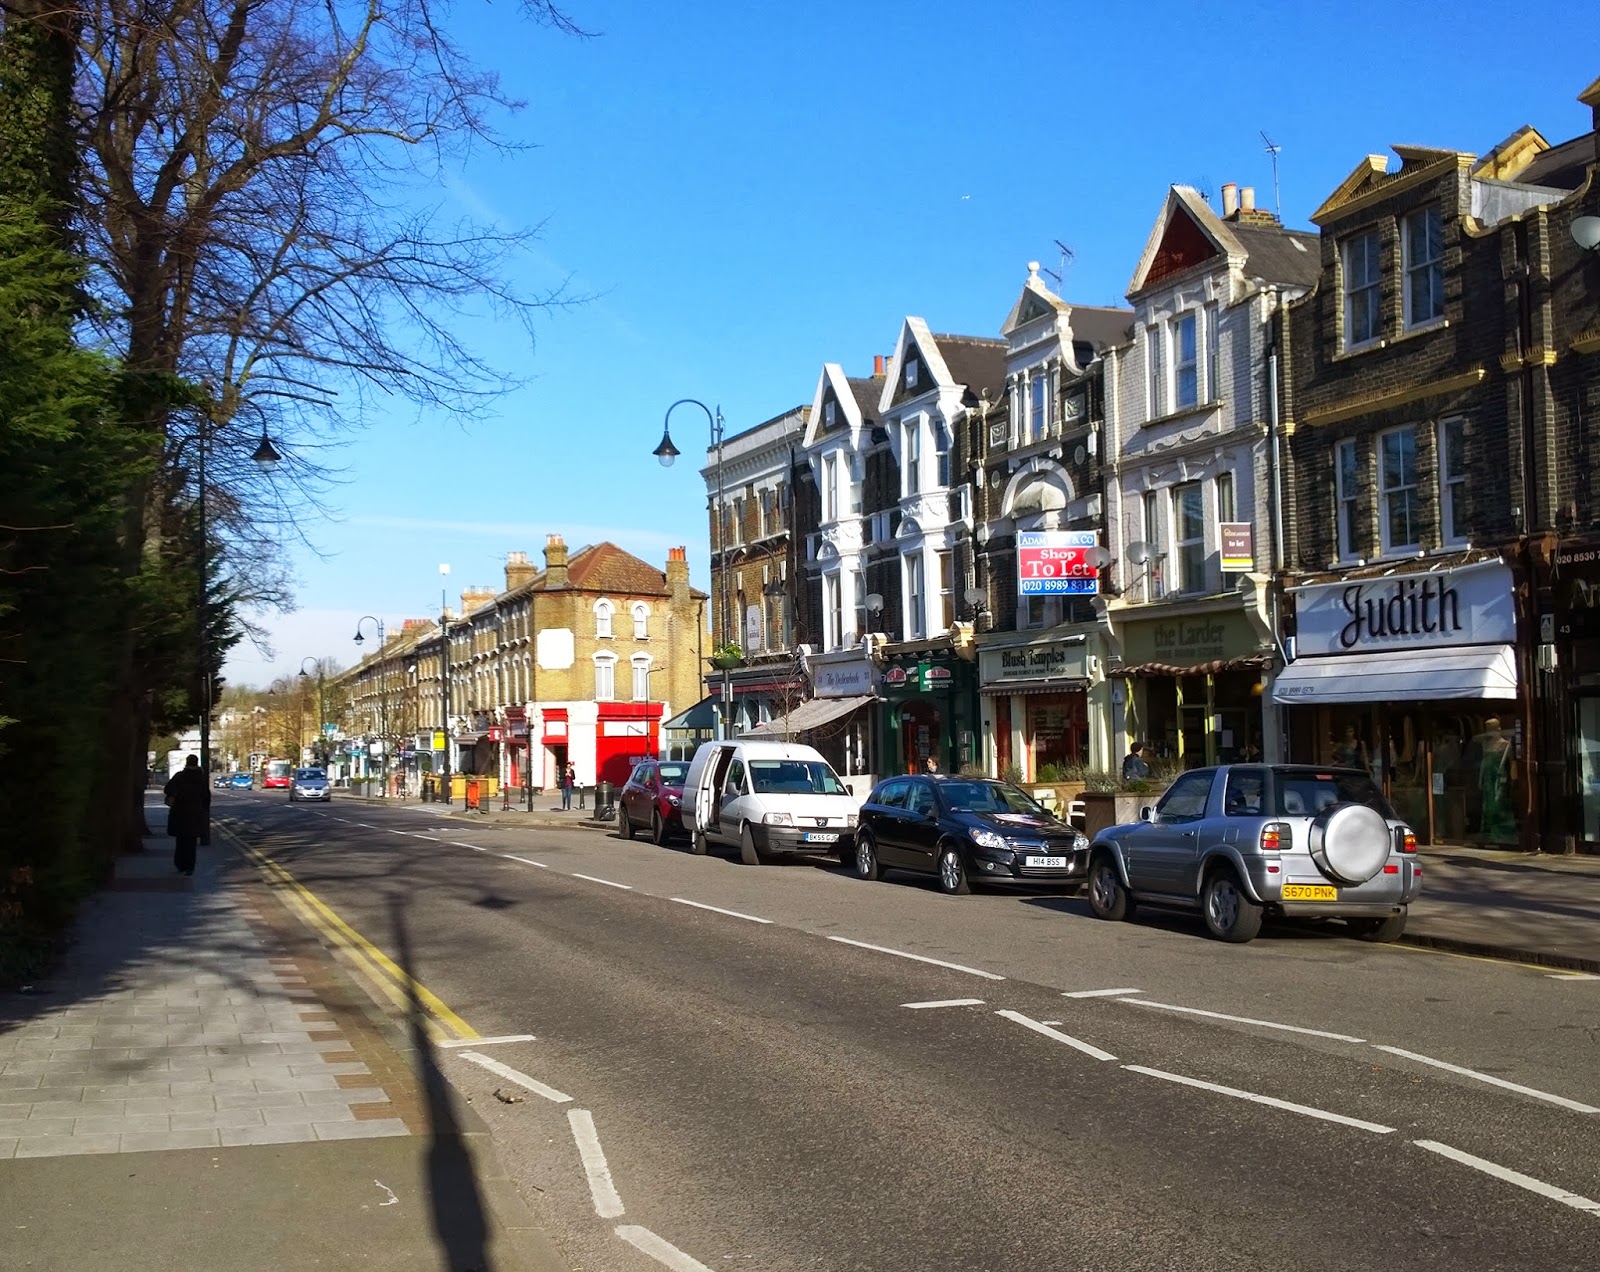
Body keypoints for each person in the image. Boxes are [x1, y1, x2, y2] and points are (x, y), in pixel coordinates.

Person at [163, 754, 210, 876]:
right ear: (196, 763)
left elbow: (167, 789)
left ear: (187, 763)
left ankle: (180, 864)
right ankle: (190, 867)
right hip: (195, 814)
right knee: (191, 842)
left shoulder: (179, 776)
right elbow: (206, 797)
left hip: (180, 812)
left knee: (181, 840)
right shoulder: (201, 778)